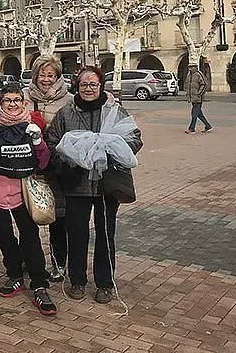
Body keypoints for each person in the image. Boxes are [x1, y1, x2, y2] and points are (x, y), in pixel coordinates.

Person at [46, 66, 142, 304]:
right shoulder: (65, 113)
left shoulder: (114, 111)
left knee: (105, 234)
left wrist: (112, 149)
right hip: (76, 183)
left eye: (93, 84)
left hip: (106, 184)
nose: (88, 88)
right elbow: (52, 144)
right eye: (83, 84)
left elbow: (135, 138)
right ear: (76, 87)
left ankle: (105, 283)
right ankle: (77, 280)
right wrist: (68, 159)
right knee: (76, 233)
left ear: (101, 86)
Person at [0, 82, 57, 315]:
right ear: (0, 102)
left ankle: (39, 284)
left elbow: (43, 162)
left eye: (16, 100)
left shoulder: (32, 124)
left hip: (25, 192)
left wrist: (37, 141)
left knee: (30, 237)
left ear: (23, 102)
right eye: (7, 100)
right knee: (5, 237)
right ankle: (14, 274)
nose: (12, 104)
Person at [23, 55, 73, 284]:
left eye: (51, 75)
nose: (46, 79)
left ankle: (58, 262)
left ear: (58, 76)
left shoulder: (69, 100)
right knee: (27, 216)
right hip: (27, 166)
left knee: (57, 217)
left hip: (55, 166)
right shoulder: (23, 97)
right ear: (35, 75)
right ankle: (31, 260)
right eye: (42, 74)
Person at [185, 63, 212, 134]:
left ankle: (192, 128)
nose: (190, 68)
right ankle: (207, 125)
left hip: (198, 98)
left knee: (194, 114)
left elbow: (204, 84)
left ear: (195, 68)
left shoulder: (198, 74)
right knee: (199, 114)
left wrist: (199, 94)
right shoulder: (189, 75)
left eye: (192, 67)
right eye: (189, 67)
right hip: (192, 98)